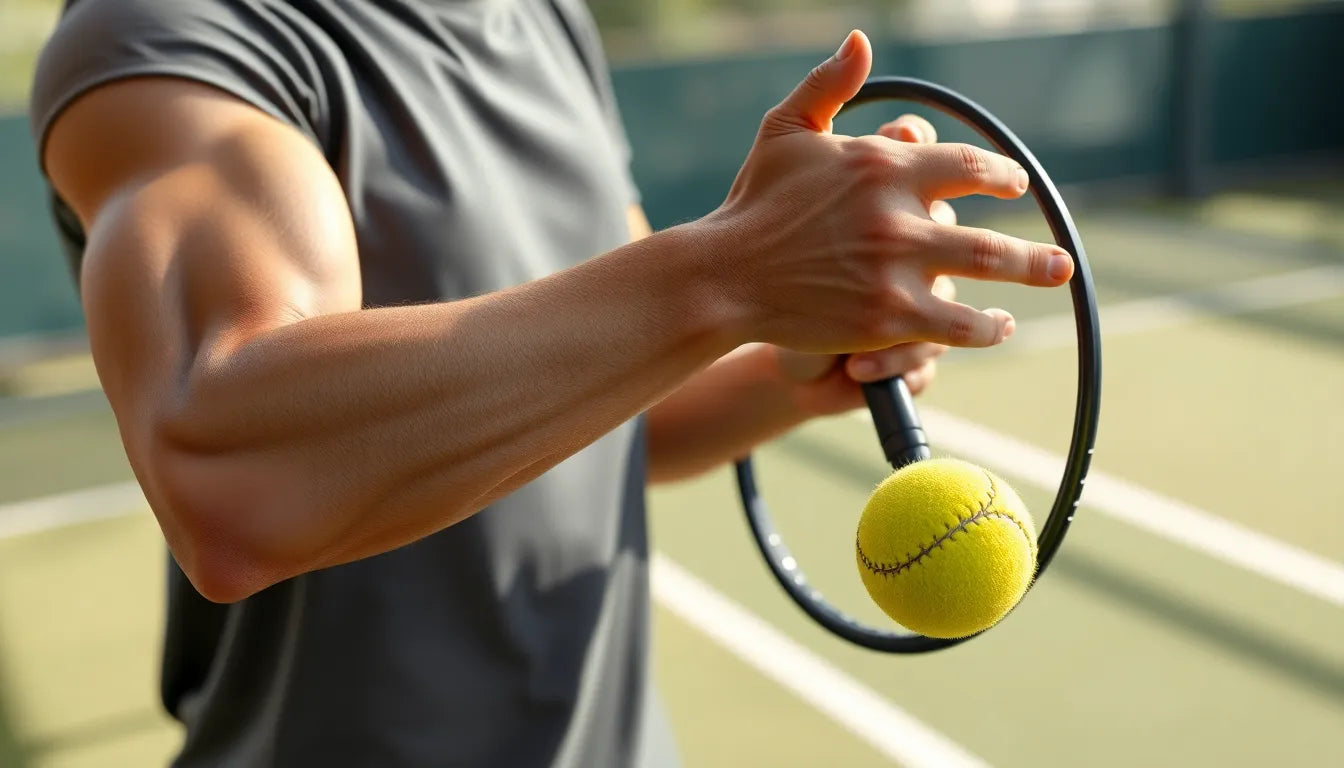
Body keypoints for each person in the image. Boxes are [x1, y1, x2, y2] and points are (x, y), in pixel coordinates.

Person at [30, 0, 1072, 765]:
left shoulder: (541, 17)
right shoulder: (170, 32)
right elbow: (235, 480)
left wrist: (788, 374)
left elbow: (624, 407)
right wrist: (730, 273)